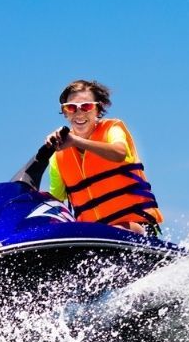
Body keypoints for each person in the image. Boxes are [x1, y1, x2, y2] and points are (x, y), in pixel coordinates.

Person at [43, 80, 163, 235]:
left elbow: (120, 153)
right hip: (93, 238)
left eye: (86, 106)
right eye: (71, 108)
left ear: (98, 109)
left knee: (111, 232)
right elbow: (55, 200)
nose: (79, 113)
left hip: (137, 227)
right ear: (65, 112)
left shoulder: (113, 129)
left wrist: (75, 141)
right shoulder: (58, 156)